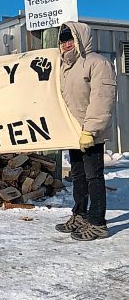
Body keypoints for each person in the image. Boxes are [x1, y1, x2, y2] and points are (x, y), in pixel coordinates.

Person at [54, 22, 117, 241]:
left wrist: (90, 130)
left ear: (81, 38)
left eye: (70, 38)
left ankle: (98, 223)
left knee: (93, 177)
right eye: (63, 40)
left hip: (91, 133)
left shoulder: (97, 63)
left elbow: (101, 99)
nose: (67, 44)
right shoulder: (63, 67)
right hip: (73, 132)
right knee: (78, 176)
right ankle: (80, 215)